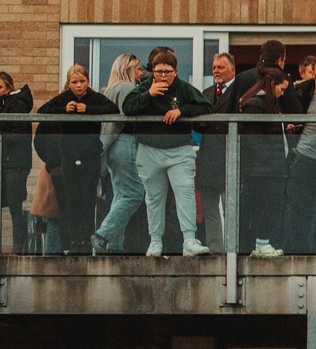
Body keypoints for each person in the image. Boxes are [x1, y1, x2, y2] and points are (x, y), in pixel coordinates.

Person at [121, 48, 213, 258]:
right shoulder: (145, 86)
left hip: (179, 151)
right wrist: (148, 95)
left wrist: (182, 111)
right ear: (153, 70)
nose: (162, 75)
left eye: (167, 71)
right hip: (149, 150)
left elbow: (206, 106)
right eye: (158, 71)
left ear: (176, 71)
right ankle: (155, 242)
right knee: (154, 198)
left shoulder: (184, 88)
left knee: (185, 194)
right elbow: (127, 107)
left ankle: (189, 240)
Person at [33, 67, 118, 254]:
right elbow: (42, 110)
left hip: (91, 155)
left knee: (88, 199)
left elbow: (113, 109)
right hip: (68, 155)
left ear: (87, 81)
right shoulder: (64, 98)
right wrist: (64, 109)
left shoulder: (95, 97)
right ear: (68, 83)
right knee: (72, 200)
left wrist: (89, 110)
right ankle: (73, 241)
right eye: (74, 82)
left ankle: (86, 242)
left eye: (82, 81)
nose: (79, 86)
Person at [280, 54, 316, 255]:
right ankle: (299, 252)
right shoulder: (301, 93)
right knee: (299, 207)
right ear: (312, 72)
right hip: (303, 156)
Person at [90, 54, 147, 255]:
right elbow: (130, 117)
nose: (141, 73)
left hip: (113, 146)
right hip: (125, 142)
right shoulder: (126, 88)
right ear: (129, 69)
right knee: (134, 194)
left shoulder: (111, 89)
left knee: (122, 195)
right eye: (138, 68)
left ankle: (113, 245)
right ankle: (102, 236)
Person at [235, 68, 290, 257]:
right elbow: (253, 137)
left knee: (266, 205)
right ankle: (260, 243)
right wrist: (268, 158)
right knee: (269, 205)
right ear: (273, 85)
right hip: (264, 168)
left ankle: (258, 244)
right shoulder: (256, 104)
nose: (282, 94)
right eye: (281, 89)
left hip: (268, 166)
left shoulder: (265, 103)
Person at [0, 71, 35, 252]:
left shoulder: (16, 106)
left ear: (9, 88)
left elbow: (21, 137)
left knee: (14, 206)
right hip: (1, 162)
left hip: (16, 163)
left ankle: (18, 248)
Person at [195, 52, 238, 253]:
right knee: (210, 207)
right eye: (213, 68)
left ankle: (232, 248)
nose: (216, 71)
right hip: (209, 156)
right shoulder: (206, 92)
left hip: (232, 155)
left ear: (232, 70)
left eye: (220, 67)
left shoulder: (240, 92)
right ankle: (216, 249)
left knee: (232, 207)